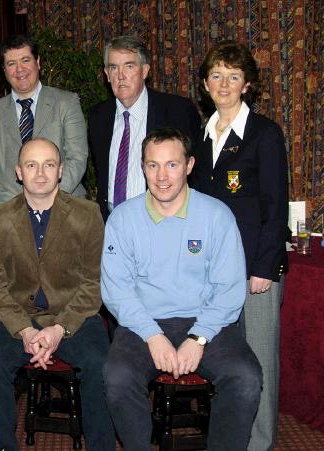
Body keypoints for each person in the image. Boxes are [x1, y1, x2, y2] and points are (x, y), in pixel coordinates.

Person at [101, 128, 262, 450]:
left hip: (206, 321)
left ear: (189, 165)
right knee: (117, 377)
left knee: (245, 377)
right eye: (152, 165)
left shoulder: (217, 216)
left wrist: (199, 337)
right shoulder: (122, 219)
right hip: (142, 323)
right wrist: (152, 335)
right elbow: (116, 290)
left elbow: (229, 290)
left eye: (171, 165)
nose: (162, 177)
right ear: (142, 167)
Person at [0, 137, 115, 451]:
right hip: (17, 318)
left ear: (61, 171)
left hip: (74, 316)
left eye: (49, 164)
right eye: (31, 165)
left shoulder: (87, 214)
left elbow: (93, 284)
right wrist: (25, 330)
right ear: (18, 172)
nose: (40, 173)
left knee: (101, 365)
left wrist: (58, 329)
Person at [190, 41, 289, 451]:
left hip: (254, 273)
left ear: (247, 84)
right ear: (205, 84)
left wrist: (264, 268)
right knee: (225, 362)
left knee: (259, 362)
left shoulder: (264, 133)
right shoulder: (201, 135)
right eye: (217, 75)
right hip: (212, 273)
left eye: (233, 76)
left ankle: (259, 444)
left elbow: (275, 205)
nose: (224, 83)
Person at [88, 35, 201, 219]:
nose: (121, 75)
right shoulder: (98, 117)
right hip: (111, 224)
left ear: (145, 71)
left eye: (129, 66)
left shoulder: (177, 112)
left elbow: (194, 175)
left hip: (163, 221)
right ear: (106, 74)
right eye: (113, 67)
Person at [0, 34, 88, 206]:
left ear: (38, 62)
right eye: (11, 64)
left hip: (64, 205)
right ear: (4, 70)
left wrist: (48, 202)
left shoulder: (67, 103)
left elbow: (77, 157)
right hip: (10, 210)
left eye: (25, 60)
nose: (20, 69)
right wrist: (17, 205)